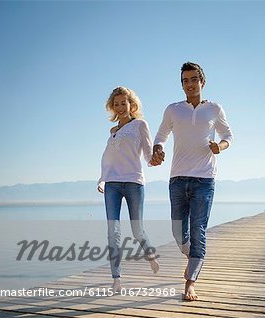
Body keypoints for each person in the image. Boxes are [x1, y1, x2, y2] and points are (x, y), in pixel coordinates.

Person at [151, 62, 233, 300]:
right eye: (185, 80)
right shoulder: (173, 109)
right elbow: (161, 135)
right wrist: (158, 149)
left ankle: (190, 282)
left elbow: (229, 135)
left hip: (204, 179)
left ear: (202, 82)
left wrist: (220, 146)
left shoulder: (214, 109)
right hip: (177, 178)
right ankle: (194, 257)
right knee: (179, 233)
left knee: (198, 231)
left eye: (193, 79)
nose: (189, 84)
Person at [98, 86, 159, 293]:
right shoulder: (113, 131)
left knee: (137, 230)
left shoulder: (140, 125)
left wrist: (157, 158)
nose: (120, 107)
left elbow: (149, 156)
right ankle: (116, 278)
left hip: (134, 182)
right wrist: (102, 179)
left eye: (123, 103)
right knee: (112, 231)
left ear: (131, 105)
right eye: (116, 104)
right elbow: (108, 159)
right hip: (112, 184)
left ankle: (149, 255)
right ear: (112, 107)